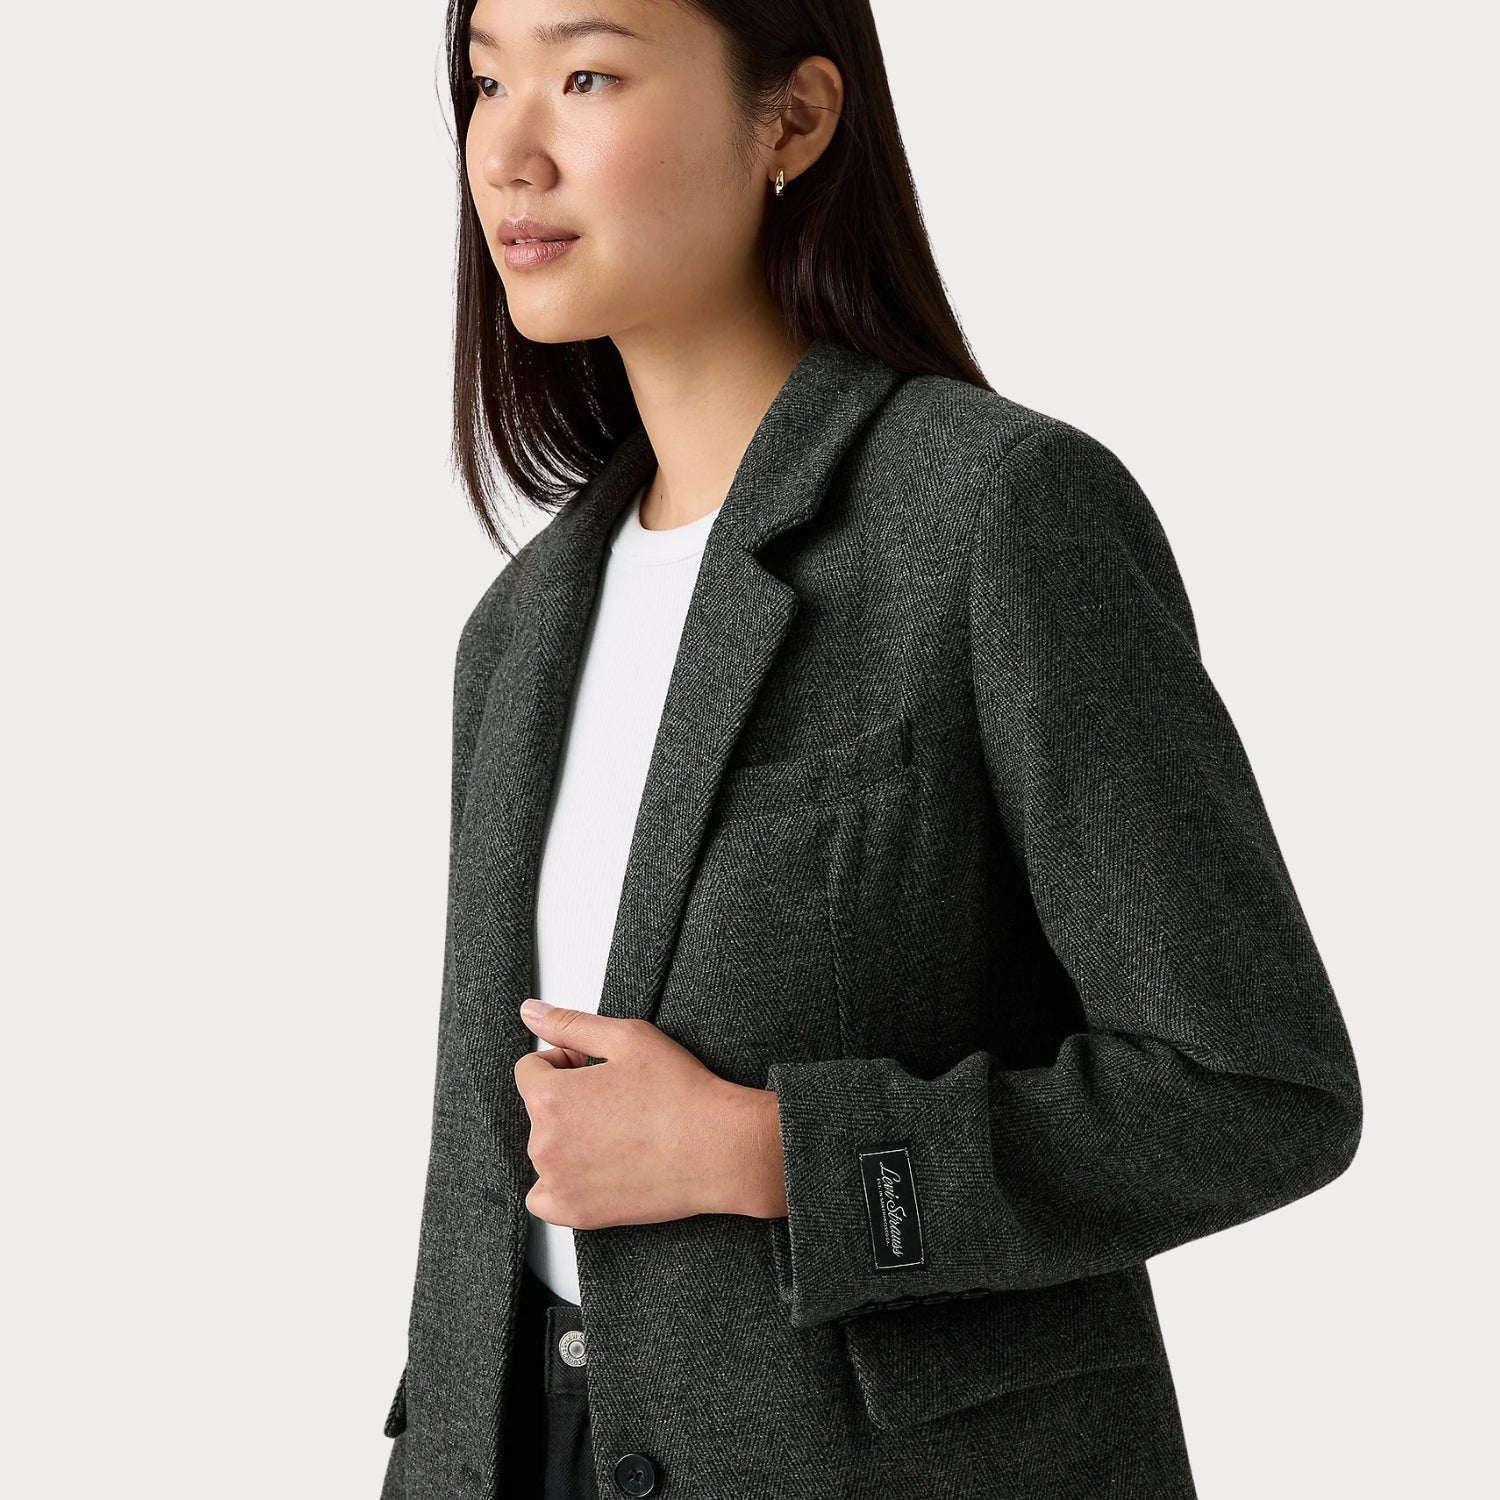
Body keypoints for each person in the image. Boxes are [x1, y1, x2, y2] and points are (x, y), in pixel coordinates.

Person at [379, 2, 1363, 1497]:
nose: (509, 151)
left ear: (794, 117)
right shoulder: (515, 633)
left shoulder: (992, 513)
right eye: (484, 81)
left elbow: (1256, 1090)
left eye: (585, 74)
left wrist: (767, 1152)